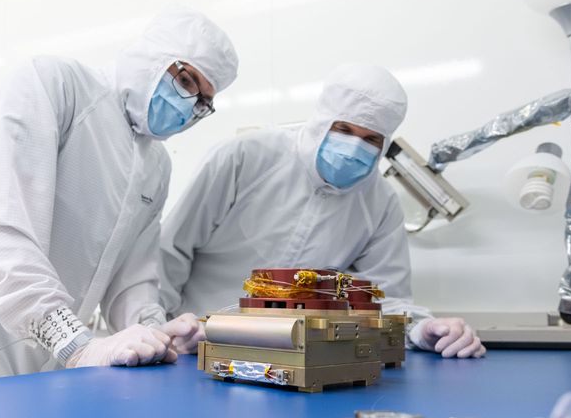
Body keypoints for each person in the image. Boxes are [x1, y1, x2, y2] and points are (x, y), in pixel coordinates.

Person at [0, 6, 239, 387]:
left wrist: (156, 331)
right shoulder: (55, 84)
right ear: (153, 57)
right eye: (186, 81)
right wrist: (74, 342)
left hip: (49, 353)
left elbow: (132, 279)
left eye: (202, 100)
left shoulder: (155, 164)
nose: (188, 106)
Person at [159, 63, 486, 359]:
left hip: (291, 360)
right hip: (194, 349)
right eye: (344, 130)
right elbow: (170, 251)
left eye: (371, 139)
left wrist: (420, 330)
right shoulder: (244, 158)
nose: (355, 147)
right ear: (320, 121)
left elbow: (382, 298)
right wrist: (160, 330)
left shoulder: (379, 202)